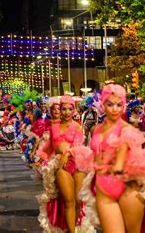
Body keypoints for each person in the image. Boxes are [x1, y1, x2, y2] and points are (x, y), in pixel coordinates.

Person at [77, 84, 145, 232]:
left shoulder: (127, 129)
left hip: (128, 188)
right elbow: (95, 157)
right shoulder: (96, 130)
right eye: (110, 104)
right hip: (103, 188)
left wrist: (119, 164)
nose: (115, 109)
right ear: (103, 104)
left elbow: (123, 147)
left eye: (119, 104)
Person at [36, 95, 90, 232]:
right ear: (60, 110)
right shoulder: (54, 127)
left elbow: (77, 146)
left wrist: (67, 153)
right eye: (64, 109)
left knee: (78, 201)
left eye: (69, 109)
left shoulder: (77, 127)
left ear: (74, 110)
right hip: (61, 165)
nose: (66, 112)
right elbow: (51, 145)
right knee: (68, 201)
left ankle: (73, 227)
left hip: (77, 164)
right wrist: (41, 158)